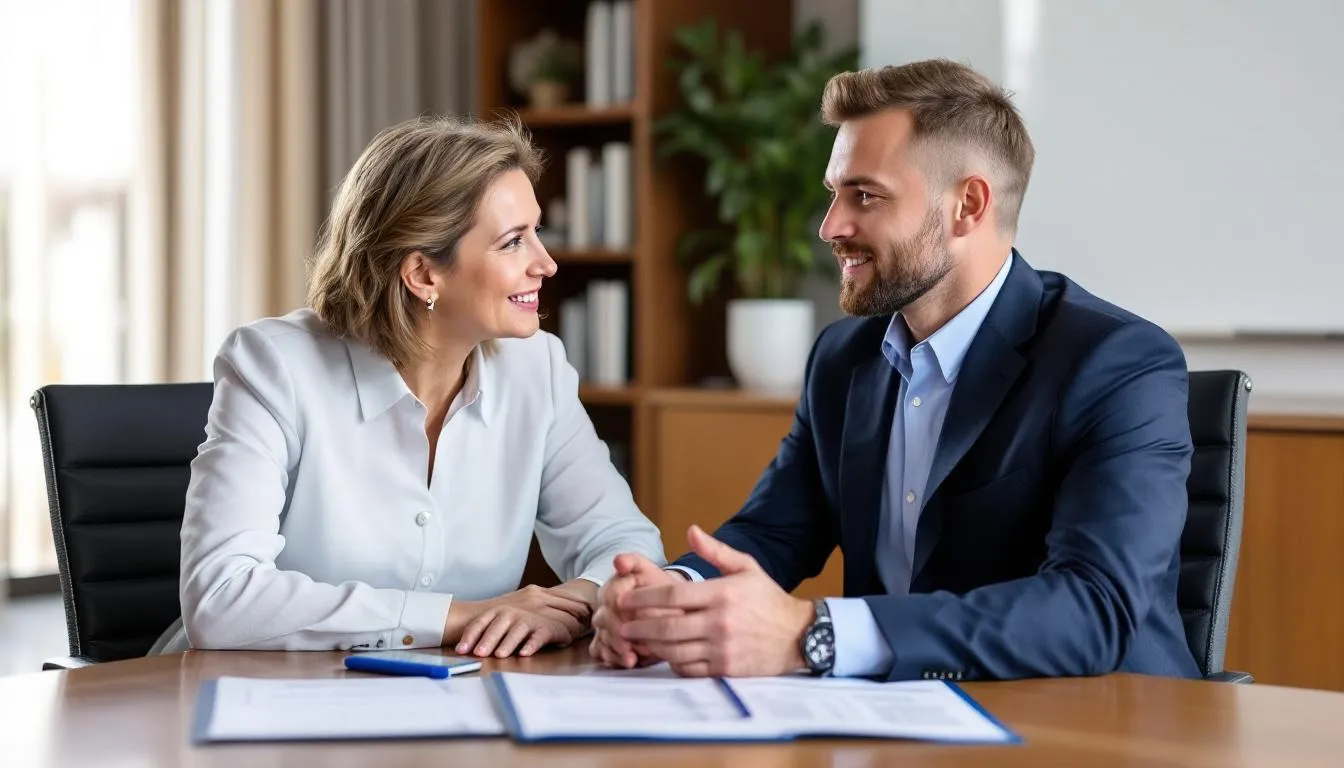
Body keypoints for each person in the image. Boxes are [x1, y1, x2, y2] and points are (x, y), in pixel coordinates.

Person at [590, 59, 1201, 682]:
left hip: (1100, 725)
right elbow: (775, 531)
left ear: (968, 205)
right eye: (834, 194)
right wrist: (670, 597)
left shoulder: (1116, 363)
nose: (831, 227)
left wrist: (811, 634)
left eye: (866, 196)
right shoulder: (842, 358)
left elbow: (1092, 610)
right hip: (899, 720)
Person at [166, 115, 665, 656]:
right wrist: (459, 617)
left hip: (456, 700)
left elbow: (627, 545)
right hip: (268, 704)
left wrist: (572, 606)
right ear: (423, 274)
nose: (545, 263)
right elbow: (220, 599)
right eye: (513, 242)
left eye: (537, 232)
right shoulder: (275, 366)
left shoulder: (536, 368)